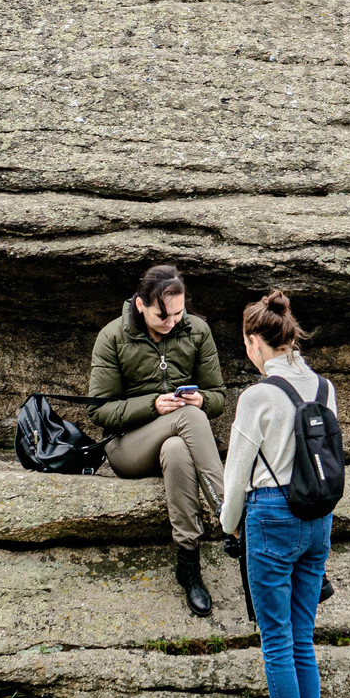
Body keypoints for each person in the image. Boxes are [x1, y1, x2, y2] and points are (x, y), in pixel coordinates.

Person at [219, 289, 332, 698]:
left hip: (271, 514)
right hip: (318, 519)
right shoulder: (325, 389)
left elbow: (236, 474)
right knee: (302, 636)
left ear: (254, 342)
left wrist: (227, 526)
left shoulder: (258, 396)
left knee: (277, 640)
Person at [88, 263, 230, 616]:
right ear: (140, 305)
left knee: (179, 449)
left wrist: (202, 400)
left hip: (177, 440)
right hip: (127, 447)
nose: (171, 322)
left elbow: (219, 397)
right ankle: (232, 515)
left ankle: (188, 563)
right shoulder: (112, 336)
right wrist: (152, 406)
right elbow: (99, 411)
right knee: (188, 418)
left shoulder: (197, 331)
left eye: (179, 313)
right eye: (161, 316)